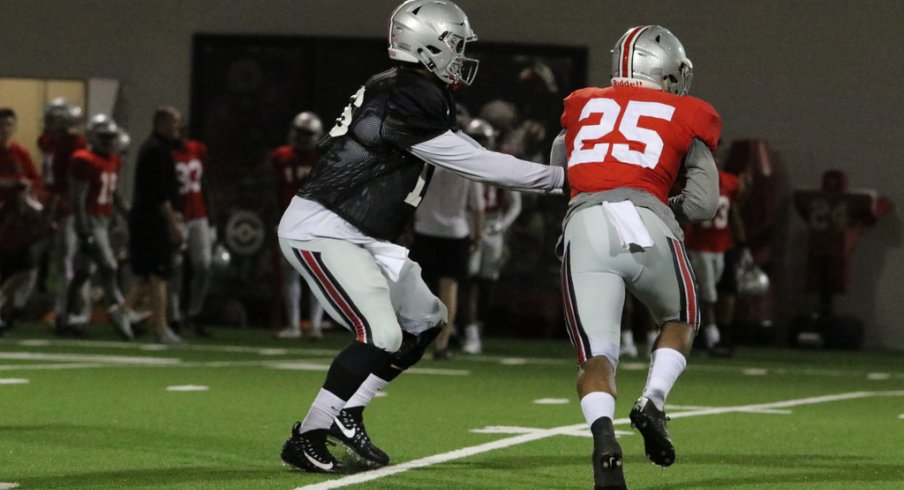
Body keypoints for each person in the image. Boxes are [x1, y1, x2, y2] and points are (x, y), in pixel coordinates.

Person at [277, 0, 563, 474]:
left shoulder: (409, 88)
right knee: (382, 333)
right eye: (454, 44)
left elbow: (466, 148)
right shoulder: (406, 93)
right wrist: (556, 179)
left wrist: (548, 174)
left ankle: (347, 412)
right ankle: (308, 435)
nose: (460, 54)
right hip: (324, 227)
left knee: (427, 319)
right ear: (426, 44)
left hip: (360, 231)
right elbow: (471, 162)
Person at [554, 25, 721, 489]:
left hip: (585, 224)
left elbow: (559, 173)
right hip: (648, 221)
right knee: (680, 316)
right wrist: (666, 206)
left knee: (596, 355)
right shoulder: (690, 112)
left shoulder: (581, 103)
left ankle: (603, 437)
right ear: (667, 72)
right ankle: (653, 400)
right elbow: (706, 204)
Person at [121, 107, 186, 344]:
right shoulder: (156, 150)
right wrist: (173, 223)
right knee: (159, 273)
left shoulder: (157, 148)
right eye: (174, 123)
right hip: (151, 220)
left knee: (150, 275)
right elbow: (159, 194)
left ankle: (123, 309)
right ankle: (160, 326)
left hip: (147, 218)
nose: (177, 128)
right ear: (161, 123)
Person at [459, 118, 522, 355]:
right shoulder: (461, 160)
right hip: (469, 222)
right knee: (469, 282)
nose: (480, 143)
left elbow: (515, 203)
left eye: (483, 139)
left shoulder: (501, 163)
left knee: (487, 283)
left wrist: (502, 226)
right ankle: (470, 333)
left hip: (494, 223)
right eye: (476, 139)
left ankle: (477, 327)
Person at [409, 166, 484, 360]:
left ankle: (416, 339)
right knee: (449, 290)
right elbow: (477, 206)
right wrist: (478, 234)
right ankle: (441, 344)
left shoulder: (427, 160)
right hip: (455, 232)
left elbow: (412, 195)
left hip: (425, 229)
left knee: (419, 289)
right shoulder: (466, 161)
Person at [68, 114, 132, 339]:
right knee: (109, 266)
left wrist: (129, 215)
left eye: (111, 137)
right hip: (91, 218)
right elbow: (79, 199)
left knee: (83, 272)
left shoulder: (113, 160)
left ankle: (69, 313)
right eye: (104, 137)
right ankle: (120, 308)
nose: (108, 141)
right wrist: (84, 230)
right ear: (93, 136)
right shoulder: (84, 159)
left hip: (104, 219)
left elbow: (114, 194)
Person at [270, 111, 326, 340]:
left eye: (307, 134)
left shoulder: (324, 157)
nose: (302, 139)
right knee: (290, 273)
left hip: (317, 222)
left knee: (318, 275)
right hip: (290, 220)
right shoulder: (282, 156)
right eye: (300, 133)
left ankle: (315, 325)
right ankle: (294, 324)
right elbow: (273, 188)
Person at [37, 99, 88, 334]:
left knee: (69, 262)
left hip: (68, 209)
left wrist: (56, 208)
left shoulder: (75, 145)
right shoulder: (49, 142)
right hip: (50, 205)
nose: (50, 122)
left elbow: (68, 183)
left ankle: (66, 313)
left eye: (55, 118)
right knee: (52, 263)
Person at [684, 168, 746, 355]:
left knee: (722, 290)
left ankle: (715, 334)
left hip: (722, 245)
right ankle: (712, 336)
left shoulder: (730, 182)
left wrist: (741, 242)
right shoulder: (691, 182)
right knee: (707, 293)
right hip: (699, 245)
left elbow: (734, 209)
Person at [0, 108, 46, 333]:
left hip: (16, 219)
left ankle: (13, 309)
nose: (5, 129)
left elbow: (34, 179)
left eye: (9, 124)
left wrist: (27, 187)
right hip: (3, 216)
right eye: (2, 125)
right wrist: (7, 184)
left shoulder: (19, 152)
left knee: (27, 268)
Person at [170, 136, 213, 337]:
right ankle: (174, 316)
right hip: (177, 215)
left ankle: (194, 312)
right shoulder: (166, 154)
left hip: (199, 214)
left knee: (204, 265)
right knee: (175, 267)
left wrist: (211, 214)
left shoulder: (197, 148)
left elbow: (204, 182)